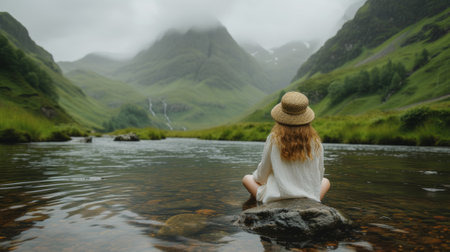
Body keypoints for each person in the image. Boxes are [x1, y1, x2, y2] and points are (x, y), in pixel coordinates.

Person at [242, 91, 330, 204]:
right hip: (310, 198)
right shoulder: (316, 141)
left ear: (281, 117)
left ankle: (255, 205)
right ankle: (311, 200)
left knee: (246, 179)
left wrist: (262, 180)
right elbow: (318, 176)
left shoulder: (274, 139)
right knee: (326, 181)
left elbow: (262, 176)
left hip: (276, 198)